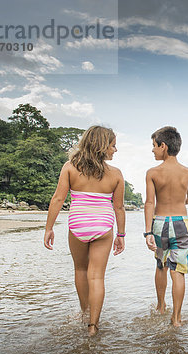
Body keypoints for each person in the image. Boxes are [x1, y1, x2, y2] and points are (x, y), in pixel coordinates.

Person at [44, 125, 125, 336]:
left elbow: (58, 199)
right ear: (101, 146)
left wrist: (49, 228)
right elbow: (118, 207)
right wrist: (121, 235)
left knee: (80, 270)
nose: (115, 150)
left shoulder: (70, 167)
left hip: (78, 225)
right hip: (103, 227)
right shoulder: (115, 174)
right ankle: (93, 325)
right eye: (113, 145)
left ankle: (84, 313)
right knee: (96, 276)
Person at [144, 126, 188, 327]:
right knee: (178, 271)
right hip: (182, 224)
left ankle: (160, 306)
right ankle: (176, 319)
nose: (153, 150)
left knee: (161, 266)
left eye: (154, 146)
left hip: (160, 224)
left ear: (163, 146)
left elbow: (149, 203)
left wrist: (147, 231)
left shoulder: (153, 173)